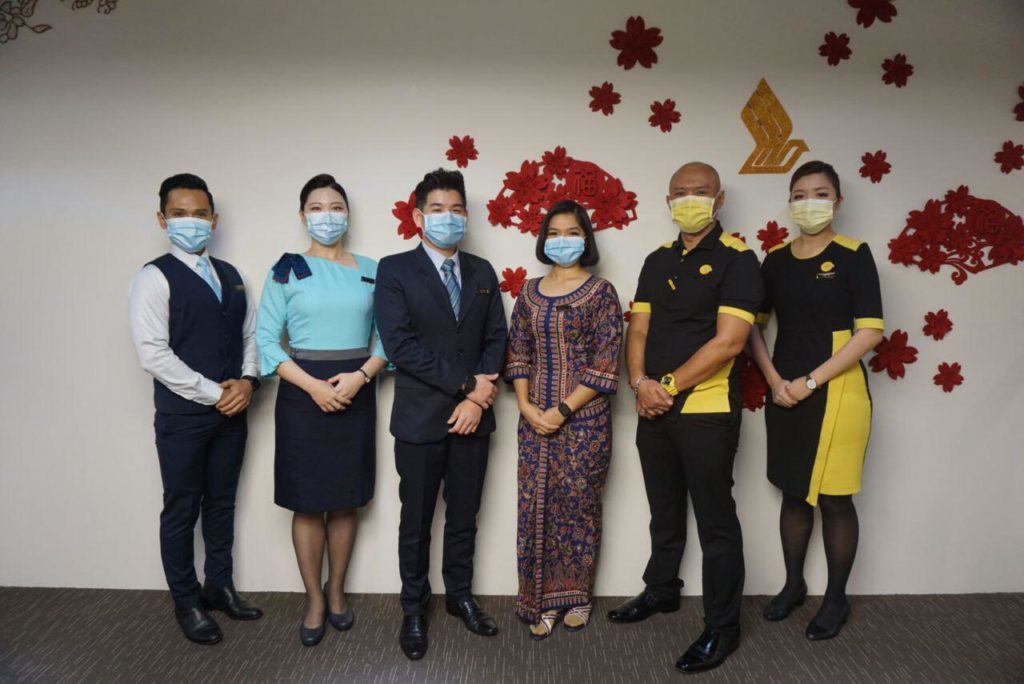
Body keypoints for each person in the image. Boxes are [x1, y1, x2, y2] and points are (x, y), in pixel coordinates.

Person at [608, 162, 763, 674]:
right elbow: (638, 331)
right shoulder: (657, 259)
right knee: (665, 508)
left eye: (700, 192)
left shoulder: (739, 260)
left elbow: (730, 342)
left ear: (718, 201)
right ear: (667, 200)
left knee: (716, 521)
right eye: (680, 192)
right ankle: (662, 590)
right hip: (653, 406)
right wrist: (639, 383)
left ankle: (722, 627)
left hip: (707, 412)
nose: (689, 199)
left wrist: (666, 386)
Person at [374, 168, 508, 660]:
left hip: (477, 418)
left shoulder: (482, 271)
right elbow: (401, 346)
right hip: (419, 420)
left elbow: (497, 338)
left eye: (455, 209)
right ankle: (414, 608)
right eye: (436, 209)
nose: (447, 218)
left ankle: (460, 596)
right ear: (417, 216)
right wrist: (467, 386)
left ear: (466, 216)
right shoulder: (393, 270)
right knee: (417, 519)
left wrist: (475, 400)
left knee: (465, 516)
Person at [747, 161, 884, 641]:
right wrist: (774, 379)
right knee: (793, 489)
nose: (810, 203)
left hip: (838, 391)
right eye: (800, 194)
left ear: (838, 202)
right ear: (789, 202)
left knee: (834, 497)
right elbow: (755, 328)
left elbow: (869, 332)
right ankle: (793, 585)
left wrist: (811, 381)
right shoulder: (776, 260)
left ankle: (836, 597)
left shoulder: (853, 255)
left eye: (820, 193)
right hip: (784, 390)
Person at [129, 173, 263, 645]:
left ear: (214, 219)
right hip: (184, 418)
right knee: (182, 507)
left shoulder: (232, 275)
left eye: (200, 214)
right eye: (180, 214)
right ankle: (186, 600)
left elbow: (249, 336)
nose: (192, 222)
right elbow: (153, 353)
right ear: (162, 219)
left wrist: (247, 383)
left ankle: (218, 586)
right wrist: (215, 393)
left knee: (222, 502)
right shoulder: (153, 277)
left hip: (234, 412)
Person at [255, 174, 388, 647]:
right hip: (302, 394)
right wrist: (313, 387)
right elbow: (267, 343)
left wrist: (361, 376)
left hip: (357, 388)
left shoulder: (373, 269)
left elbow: (388, 337)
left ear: (348, 214)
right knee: (308, 501)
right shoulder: (287, 269)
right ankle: (313, 598)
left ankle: (337, 592)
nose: (327, 215)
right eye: (317, 206)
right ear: (302, 215)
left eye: (336, 206)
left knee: (346, 498)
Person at [504, 201, 623, 640]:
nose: (562, 240)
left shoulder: (601, 292)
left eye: (572, 232)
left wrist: (563, 410)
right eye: (553, 233)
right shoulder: (529, 293)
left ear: (586, 238)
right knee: (535, 507)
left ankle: (577, 598)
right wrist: (527, 406)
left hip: (584, 423)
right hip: (532, 419)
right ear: (543, 239)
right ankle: (539, 602)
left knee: (578, 508)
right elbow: (517, 352)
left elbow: (607, 361)